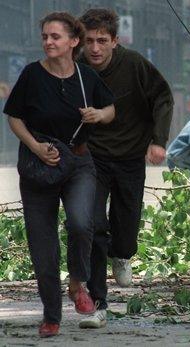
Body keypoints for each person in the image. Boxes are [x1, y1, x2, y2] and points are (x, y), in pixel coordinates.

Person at [3, 12, 115, 337]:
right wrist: (36, 147)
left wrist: (98, 114)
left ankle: (78, 284)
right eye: (45, 37)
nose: (49, 42)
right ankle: (51, 315)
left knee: (82, 223)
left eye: (55, 37)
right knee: (43, 245)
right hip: (40, 168)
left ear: (73, 41)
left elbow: (110, 109)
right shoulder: (31, 75)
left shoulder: (86, 77)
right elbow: (14, 118)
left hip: (79, 164)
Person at [78, 8, 174, 328]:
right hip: (92, 157)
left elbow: (162, 96)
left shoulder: (133, 64)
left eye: (102, 41)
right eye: (89, 41)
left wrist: (158, 140)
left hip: (131, 155)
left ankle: (121, 255)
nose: (95, 48)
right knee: (93, 221)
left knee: (127, 220)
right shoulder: (75, 68)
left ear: (115, 41)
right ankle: (97, 299)